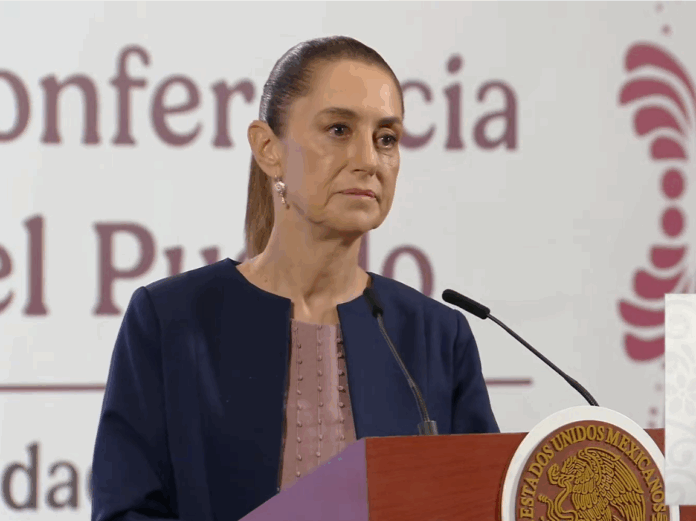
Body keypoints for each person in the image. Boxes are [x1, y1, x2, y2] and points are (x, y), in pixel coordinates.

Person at [91, 35, 499, 521]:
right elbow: (127, 510)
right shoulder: (170, 320)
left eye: (386, 138)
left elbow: (483, 505)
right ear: (269, 149)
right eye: (339, 129)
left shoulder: (437, 336)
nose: (369, 160)